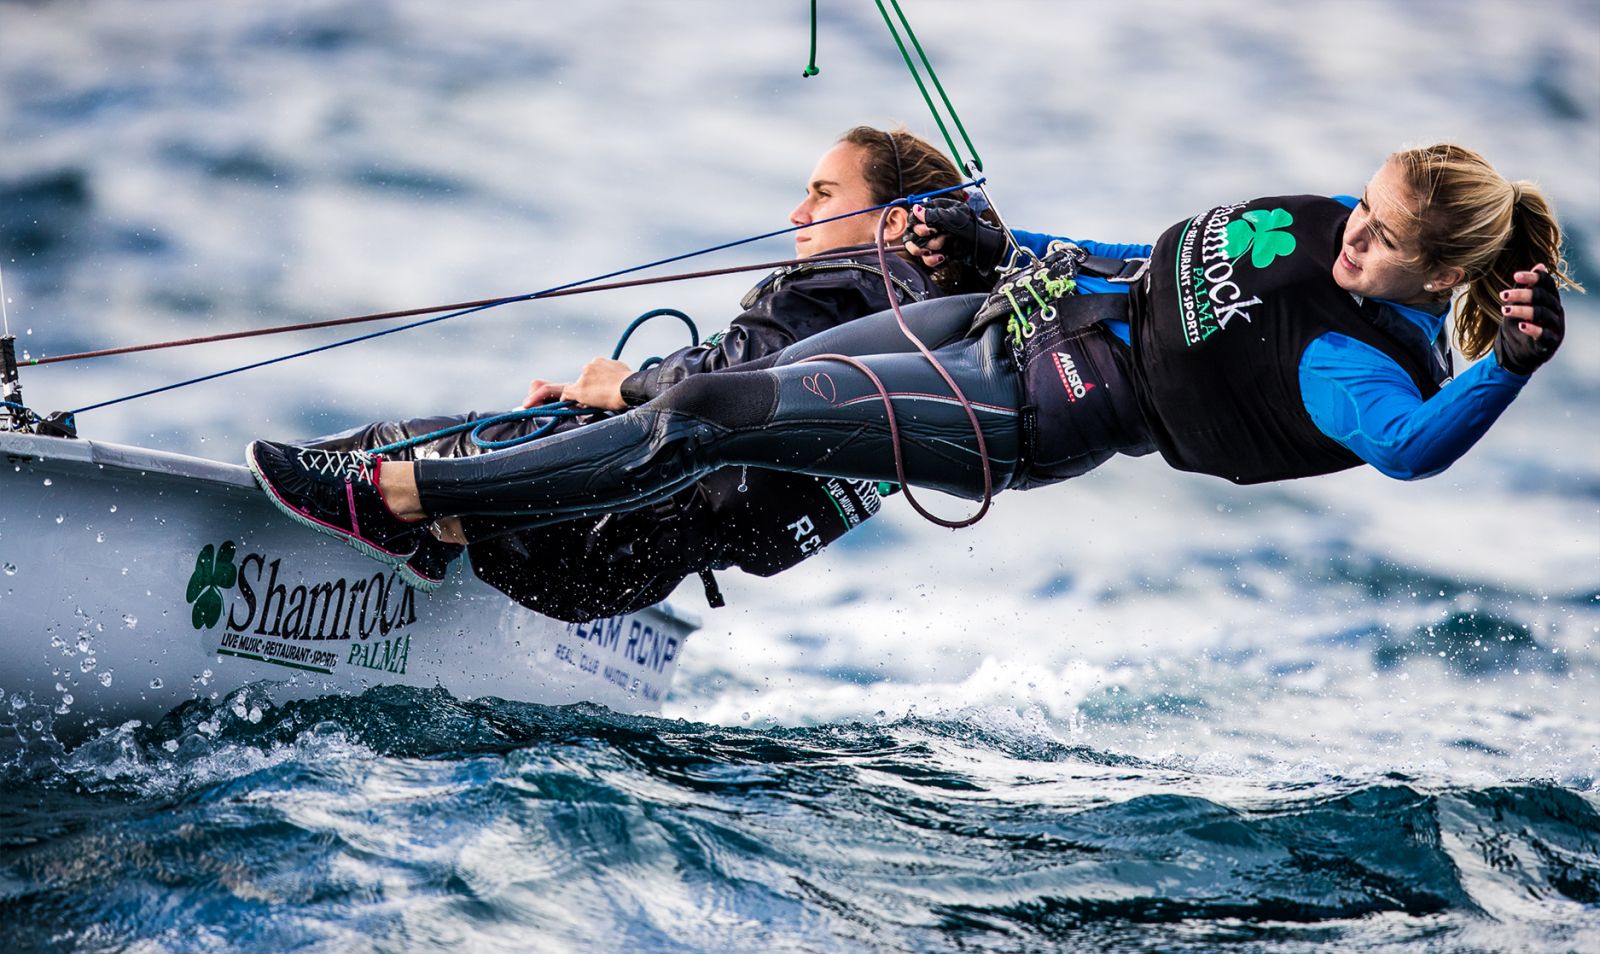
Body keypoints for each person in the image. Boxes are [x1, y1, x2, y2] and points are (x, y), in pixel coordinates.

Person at [247, 143, 1573, 585]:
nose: (1355, 237)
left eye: (1386, 239)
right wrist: (1000, 238)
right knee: (711, 383)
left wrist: (1506, 367)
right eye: (1367, 202)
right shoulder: (1332, 228)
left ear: (1439, 276)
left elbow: (1408, 449)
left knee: (712, 411)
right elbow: (1147, 255)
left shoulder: (1353, 360)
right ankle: (489, 501)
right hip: (1009, 316)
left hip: (1025, 408)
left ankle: (412, 500)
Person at [281, 126, 991, 620]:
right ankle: (432, 538)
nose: (797, 212)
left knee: (389, 444)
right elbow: (754, 394)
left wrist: (620, 386)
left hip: (594, 519)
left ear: (893, 223)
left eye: (823, 194)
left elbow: (726, 379)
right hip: (633, 565)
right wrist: (595, 400)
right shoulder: (927, 338)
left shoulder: (846, 289)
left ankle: (274, 520)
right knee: (503, 438)